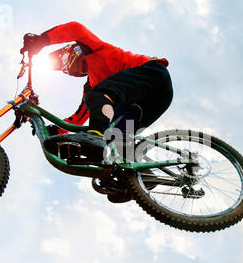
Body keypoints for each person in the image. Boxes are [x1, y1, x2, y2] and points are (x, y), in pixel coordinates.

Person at [20, 21, 173, 162]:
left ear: (73, 50)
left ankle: (95, 137)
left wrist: (41, 40)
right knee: (115, 141)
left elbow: (75, 29)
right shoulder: (92, 87)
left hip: (153, 74)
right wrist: (54, 130)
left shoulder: (94, 48)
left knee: (96, 101)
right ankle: (139, 177)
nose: (68, 69)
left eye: (65, 61)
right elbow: (78, 118)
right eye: (65, 70)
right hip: (152, 102)